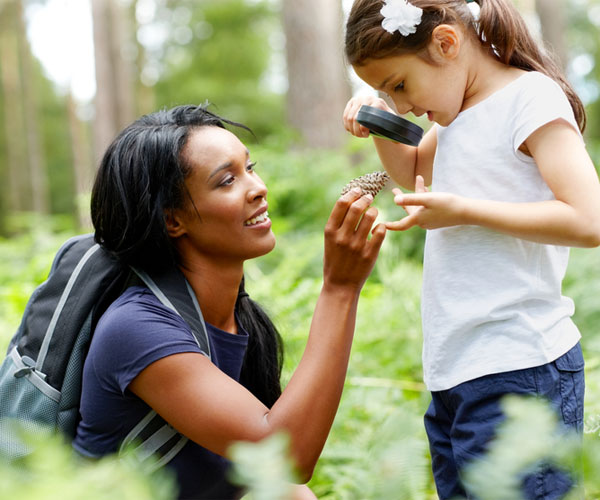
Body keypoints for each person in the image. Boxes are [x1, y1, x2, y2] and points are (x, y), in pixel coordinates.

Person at [342, 0, 600, 498]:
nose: (402, 104)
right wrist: (380, 124)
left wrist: (464, 210)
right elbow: (414, 170)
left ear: (446, 43)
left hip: (520, 366)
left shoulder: (531, 99)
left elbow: (589, 219)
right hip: (456, 368)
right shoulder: (456, 114)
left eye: (399, 85)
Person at [72, 104, 386, 499]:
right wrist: (339, 289)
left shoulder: (239, 320)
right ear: (173, 221)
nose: (258, 187)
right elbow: (287, 455)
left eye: (250, 167)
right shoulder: (135, 329)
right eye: (226, 181)